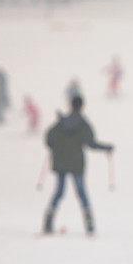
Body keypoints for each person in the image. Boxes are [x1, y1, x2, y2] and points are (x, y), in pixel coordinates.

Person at [43, 95, 114, 235]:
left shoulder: (60, 122)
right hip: (76, 162)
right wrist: (107, 148)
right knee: (82, 193)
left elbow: (49, 138)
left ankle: (48, 222)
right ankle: (89, 225)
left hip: (60, 161)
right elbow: (91, 144)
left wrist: (54, 148)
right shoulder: (83, 124)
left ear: (70, 105)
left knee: (58, 192)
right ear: (82, 106)